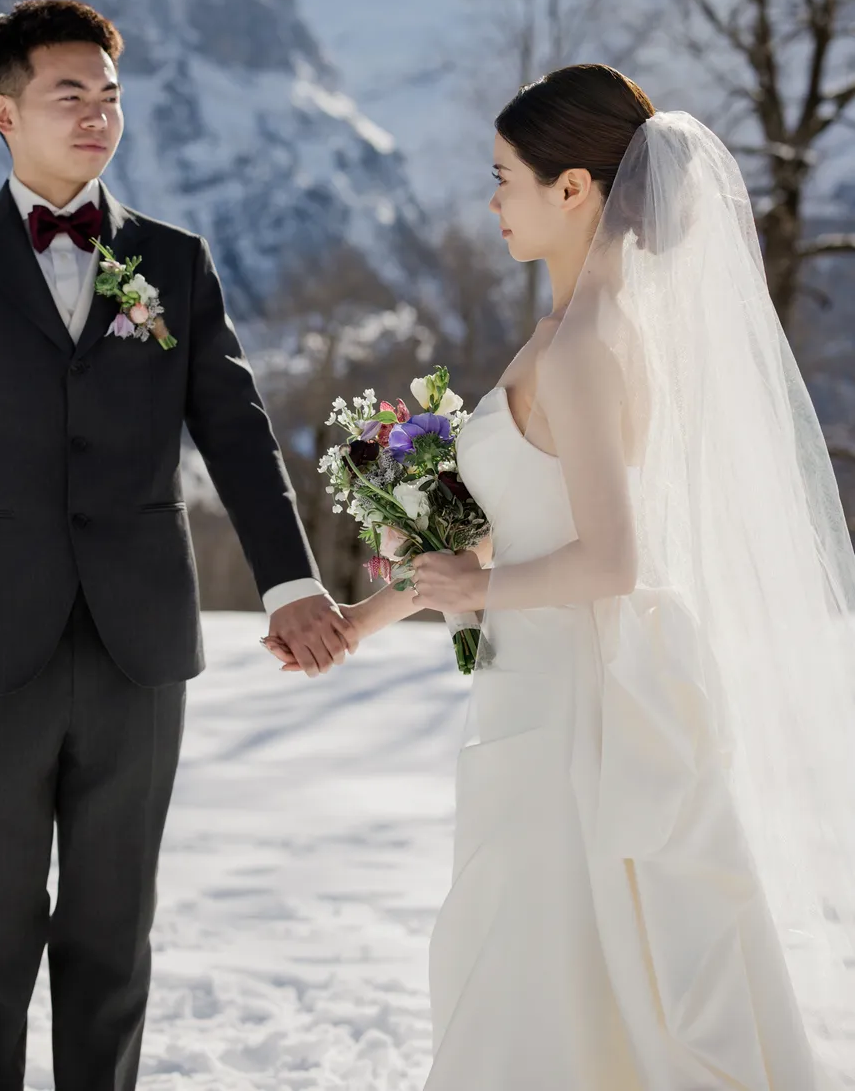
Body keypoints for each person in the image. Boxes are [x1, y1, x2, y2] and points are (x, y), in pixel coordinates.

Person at [270, 65, 855, 1088]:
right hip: (536, 694)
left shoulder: (587, 347)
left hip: (577, 716)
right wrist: (364, 620)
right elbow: (504, 532)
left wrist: (474, 594)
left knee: (554, 968)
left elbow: (611, 558)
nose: (492, 202)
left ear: (574, 188)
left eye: (505, 178)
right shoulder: (560, 337)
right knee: (541, 963)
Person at [0, 0, 355, 1091]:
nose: (98, 117)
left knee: (112, 929)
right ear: (4, 112)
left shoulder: (174, 263)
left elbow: (234, 428)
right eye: (68, 95)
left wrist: (287, 582)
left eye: (111, 97)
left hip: (141, 644)